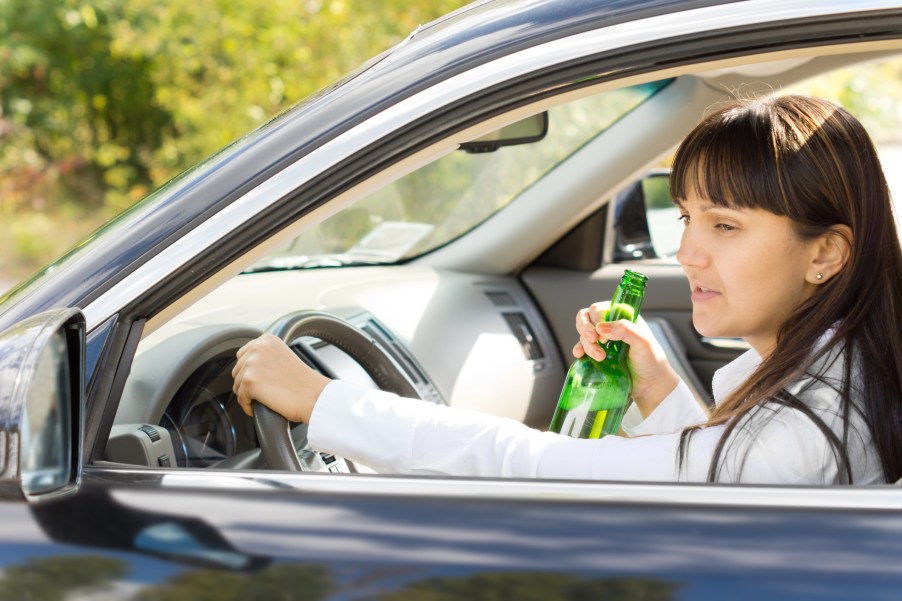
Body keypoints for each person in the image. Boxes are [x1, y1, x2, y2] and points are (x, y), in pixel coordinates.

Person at [232, 94, 902, 484]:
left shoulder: (802, 432)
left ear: (827, 253)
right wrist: (659, 386)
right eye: (688, 215)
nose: (687, 250)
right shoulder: (838, 377)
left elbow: (549, 467)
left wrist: (325, 401)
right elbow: (702, 477)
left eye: (725, 224)